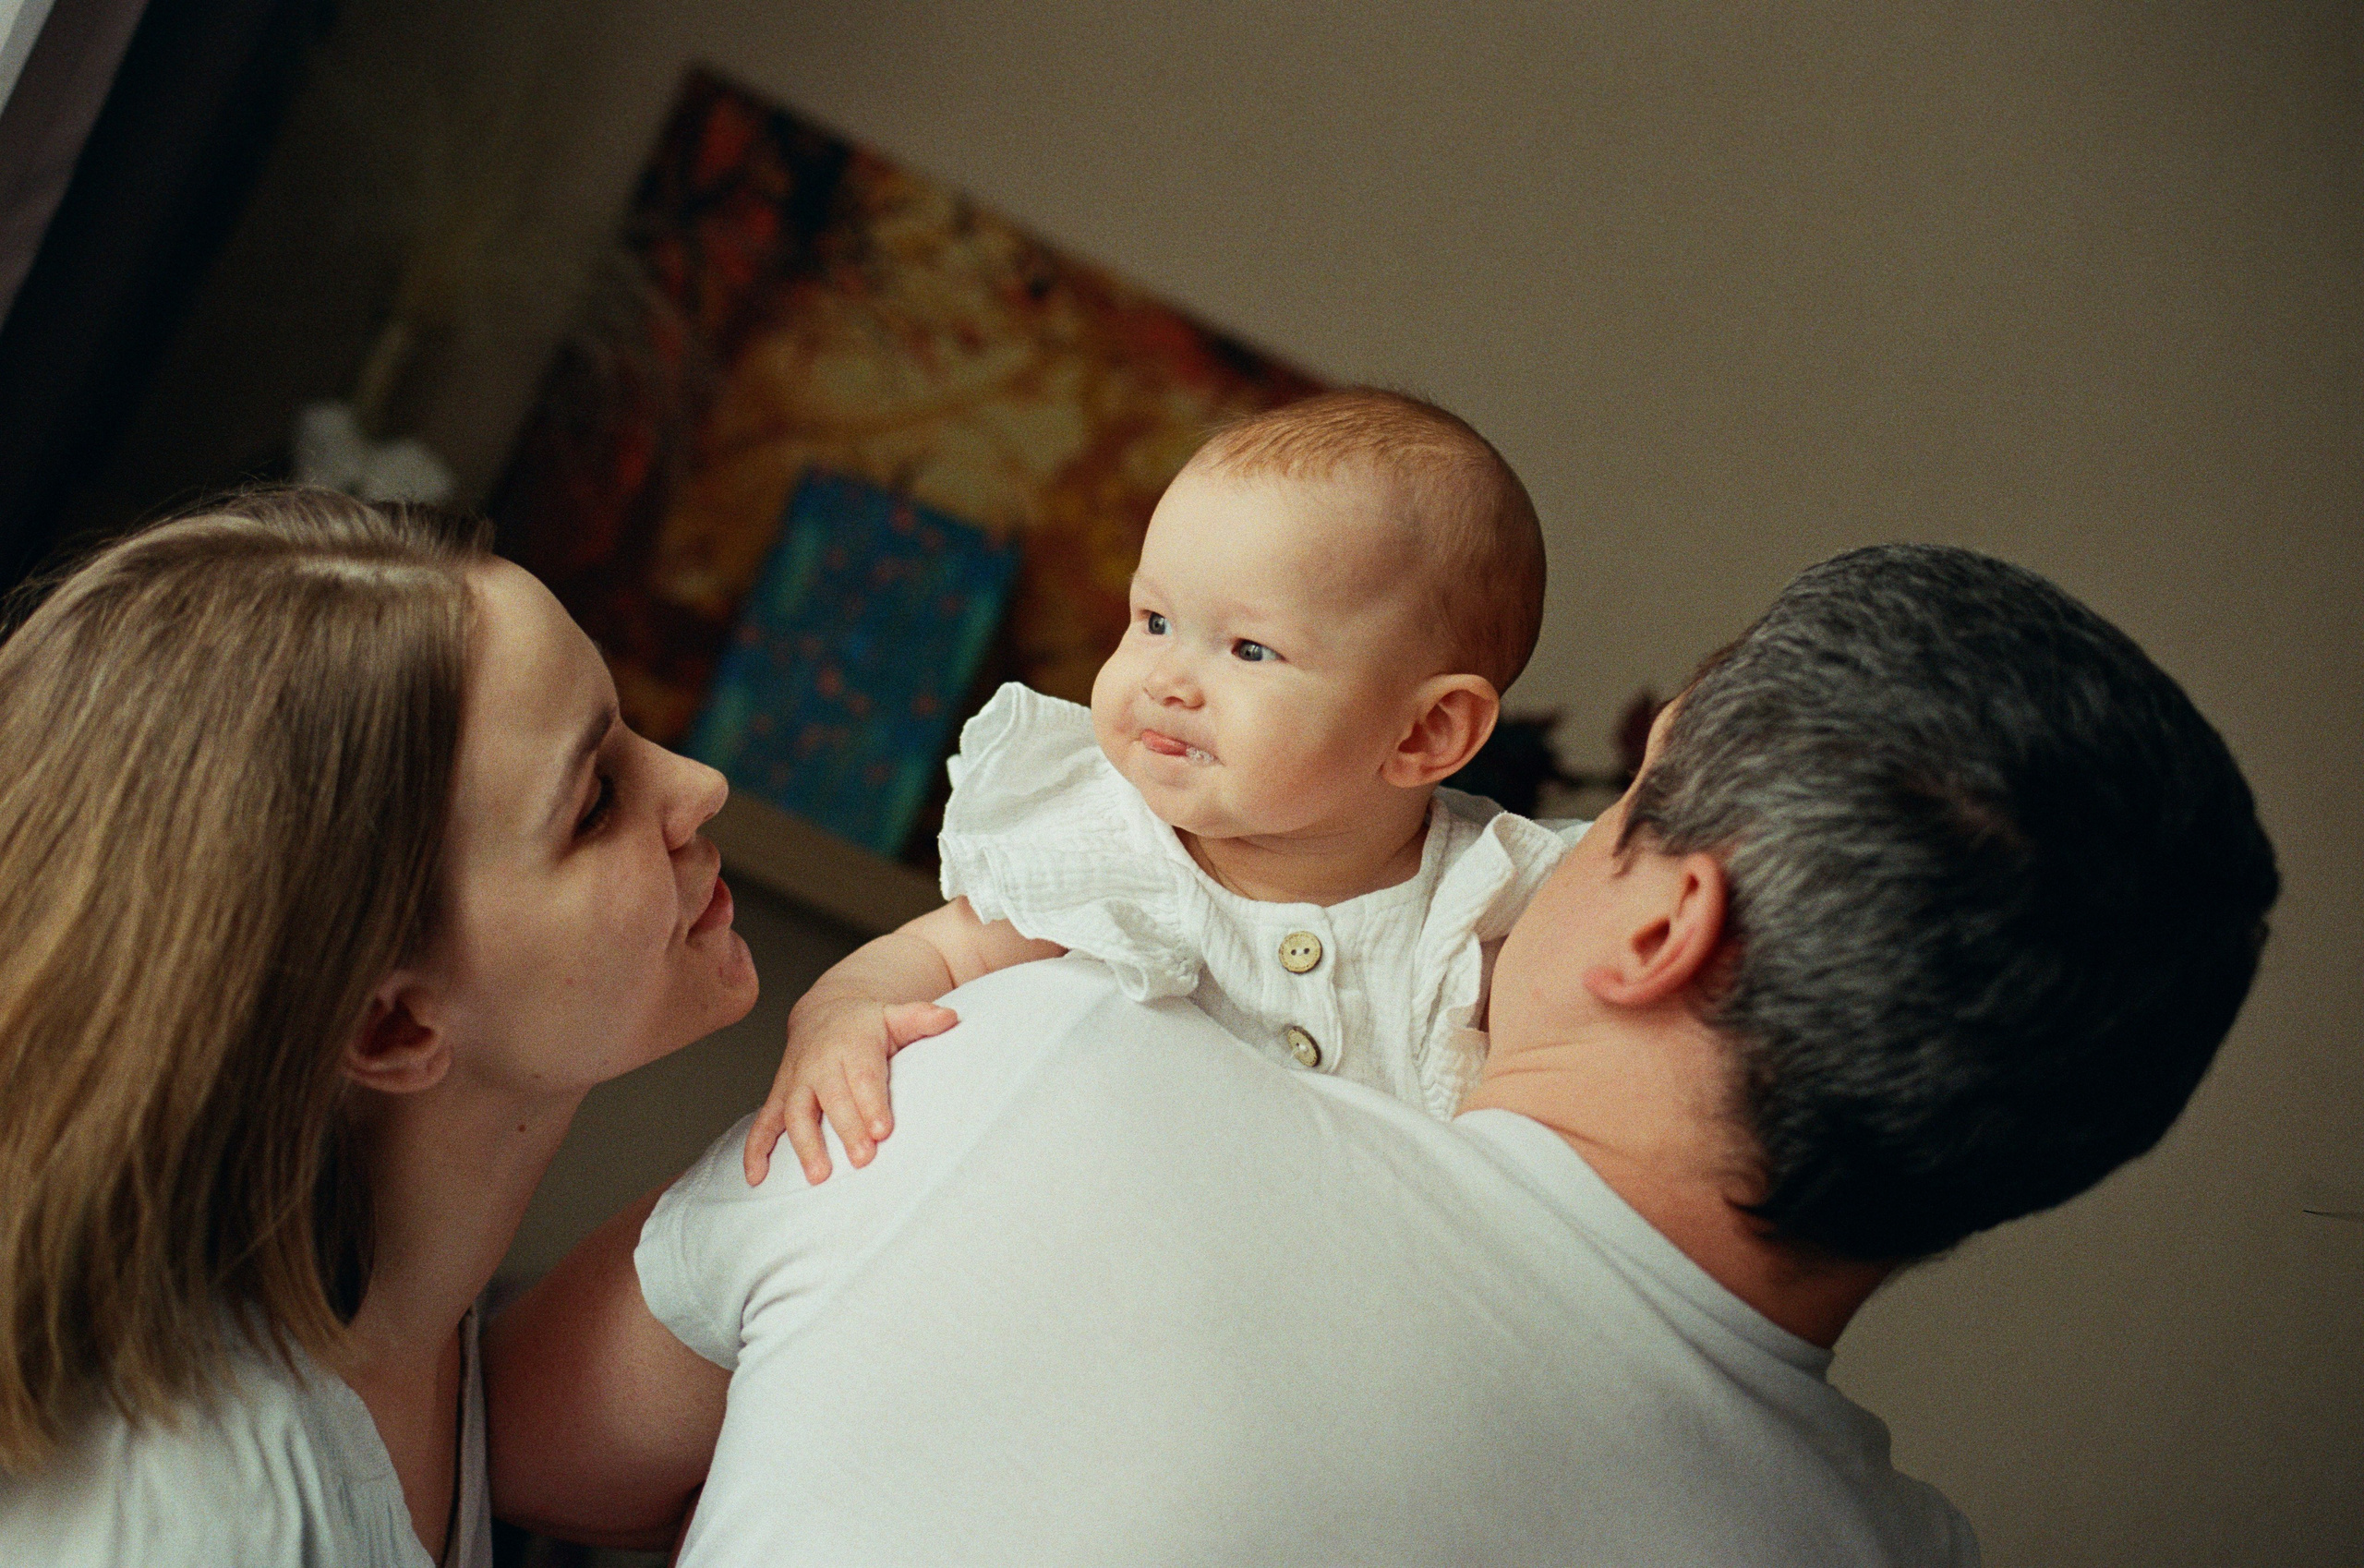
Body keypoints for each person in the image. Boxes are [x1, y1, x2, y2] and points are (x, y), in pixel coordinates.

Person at [490, 541, 2276, 1565]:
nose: (1547, 837)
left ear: (1663, 931)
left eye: (1621, 800)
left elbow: (528, 1455)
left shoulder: (1034, 1052)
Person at [0, 488, 759, 1565]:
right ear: (394, 1027)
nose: (699, 786)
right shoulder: (207, 1521)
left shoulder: (417, 1329)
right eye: (594, 801)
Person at [748, 388, 1568, 1187]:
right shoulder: (1105, 848)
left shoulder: (1487, 909)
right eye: (1154, 621)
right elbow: (928, 953)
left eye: (1249, 649)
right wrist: (841, 1015)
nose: (1168, 678)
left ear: (1426, 732)